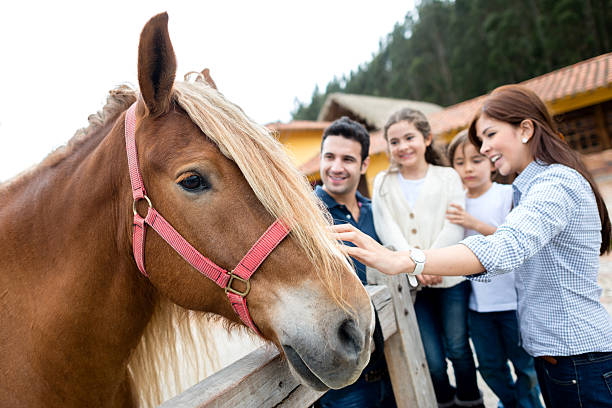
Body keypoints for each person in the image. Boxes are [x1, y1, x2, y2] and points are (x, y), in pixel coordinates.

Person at [333, 85, 612, 408]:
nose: (486, 147)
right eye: (482, 139)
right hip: (560, 359)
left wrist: (405, 259)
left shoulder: (555, 185)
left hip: (578, 359)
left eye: (490, 135)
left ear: (525, 129)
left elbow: (504, 248)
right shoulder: (531, 187)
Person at [372, 108, 483, 408]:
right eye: (394, 141)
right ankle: (444, 402)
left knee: (459, 349)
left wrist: (429, 262)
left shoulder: (448, 177)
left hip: (452, 279)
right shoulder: (382, 182)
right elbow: (388, 231)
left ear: (427, 138)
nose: (403, 146)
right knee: (432, 360)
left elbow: (454, 225)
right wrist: (416, 268)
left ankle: (472, 400)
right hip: (412, 284)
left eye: (410, 137)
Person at [447, 130, 543, 408]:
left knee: (525, 368)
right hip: (479, 306)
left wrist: (473, 222)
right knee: (489, 367)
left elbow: (514, 240)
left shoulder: (506, 194)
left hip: (514, 302)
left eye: (475, 160)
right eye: (459, 162)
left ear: (490, 161)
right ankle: (512, 403)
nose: (467, 168)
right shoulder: (453, 203)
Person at [315, 117, 396, 408]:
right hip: (347, 376)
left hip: (395, 356)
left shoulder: (378, 212)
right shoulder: (306, 219)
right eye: (329, 157)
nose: (336, 167)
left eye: (348, 159)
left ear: (364, 165)